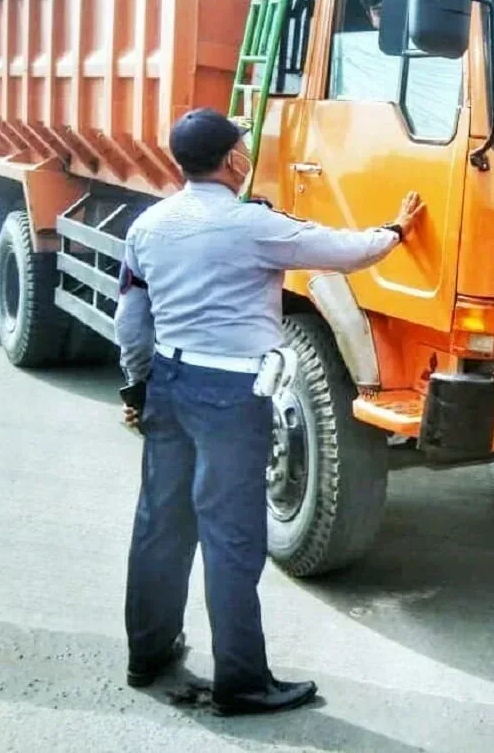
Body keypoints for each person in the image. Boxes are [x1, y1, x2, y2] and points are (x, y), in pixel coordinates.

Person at [115, 108, 424, 716]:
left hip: (171, 384)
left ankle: (147, 654)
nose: (247, 151)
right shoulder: (253, 226)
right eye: (243, 145)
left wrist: (137, 387)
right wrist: (396, 230)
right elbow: (345, 252)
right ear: (232, 161)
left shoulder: (149, 225)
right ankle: (243, 683)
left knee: (160, 524)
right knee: (231, 538)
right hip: (231, 394)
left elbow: (132, 318)